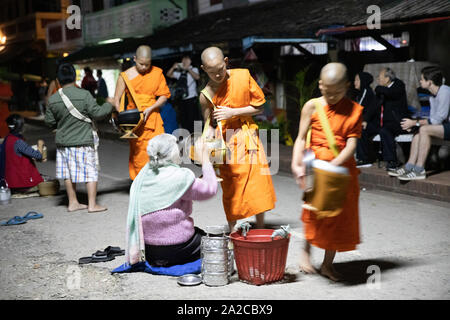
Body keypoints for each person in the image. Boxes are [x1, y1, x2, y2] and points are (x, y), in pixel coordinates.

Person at [291, 62, 363, 282]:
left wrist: (335, 165)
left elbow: (351, 144)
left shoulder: (354, 110)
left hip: (340, 170)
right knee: (313, 212)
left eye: (337, 92)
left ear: (347, 86)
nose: (332, 97)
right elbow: (301, 137)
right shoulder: (311, 106)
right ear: (320, 85)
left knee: (337, 217)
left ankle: (327, 264)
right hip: (315, 165)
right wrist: (296, 163)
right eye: (327, 92)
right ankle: (305, 252)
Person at [199, 46, 276, 232]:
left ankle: (260, 228)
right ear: (203, 69)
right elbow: (209, 123)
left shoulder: (243, 76)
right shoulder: (205, 95)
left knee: (258, 185)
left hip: (248, 136)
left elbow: (260, 106)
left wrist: (235, 112)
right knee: (231, 189)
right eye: (212, 72)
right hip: (226, 143)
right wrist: (206, 142)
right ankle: (234, 230)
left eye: (220, 69)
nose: (218, 75)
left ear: (225, 62)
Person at [126, 133, 217, 266]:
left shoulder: (143, 176)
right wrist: (205, 161)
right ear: (174, 152)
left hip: (149, 249)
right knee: (213, 242)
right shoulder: (180, 177)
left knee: (196, 233)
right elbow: (210, 189)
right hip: (177, 246)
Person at [45, 63, 114, 213]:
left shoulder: (53, 99)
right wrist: (109, 105)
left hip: (63, 142)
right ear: (75, 77)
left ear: (58, 80)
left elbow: (49, 122)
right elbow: (97, 113)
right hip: (82, 140)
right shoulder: (84, 95)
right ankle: (92, 204)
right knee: (90, 171)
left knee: (68, 173)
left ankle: (73, 202)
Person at [113, 45, 171, 180]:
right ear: (134, 59)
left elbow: (164, 95)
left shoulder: (157, 73)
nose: (144, 67)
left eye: (148, 64)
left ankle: (157, 182)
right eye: (141, 64)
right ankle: (142, 183)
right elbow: (117, 99)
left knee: (159, 151)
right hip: (135, 120)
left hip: (153, 117)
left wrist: (152, 107)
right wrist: (122, 117)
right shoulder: (126, 76)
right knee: (140, 153)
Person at [389, 66, 450, 180]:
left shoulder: (445, 91)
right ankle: (409, 166)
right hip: (444, 127)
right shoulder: (432, 96)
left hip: (447, 126)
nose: (420, 81)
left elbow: (438, 119)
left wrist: (414, 123)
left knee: (424, 129)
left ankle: (419, 170)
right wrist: (414, 126)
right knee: (418, 132)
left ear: (429, 82)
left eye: (422, 79)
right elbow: (433, 118)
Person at [0, 114, 44, 193]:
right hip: (21, 183)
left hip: (9, 182)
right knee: (46, 181)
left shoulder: (7, 139)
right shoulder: (18, 142)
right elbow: (38, 156)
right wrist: (40, 144)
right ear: (21, 127)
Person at [166, 54, 200, 133]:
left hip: (192, 98)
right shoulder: (180, 72)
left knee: (195, 118)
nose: (184, 61)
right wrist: (173, 67)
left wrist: (188, 69)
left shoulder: (193, 69)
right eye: (183, 60)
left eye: (186, 60)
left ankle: (198, 134)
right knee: (184, 118)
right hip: (182, 98)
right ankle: (188, 135)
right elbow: (169, 74)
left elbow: (197, 77)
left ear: (190, 61)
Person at [354, 71, 378, 167]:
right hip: (365, 122)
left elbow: (359, 108)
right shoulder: (360, 94)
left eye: (357, 80)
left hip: (372, 123)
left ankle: (364, 159)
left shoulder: (366, 91)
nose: (354, 82)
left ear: (363, 81)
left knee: (359, 130)